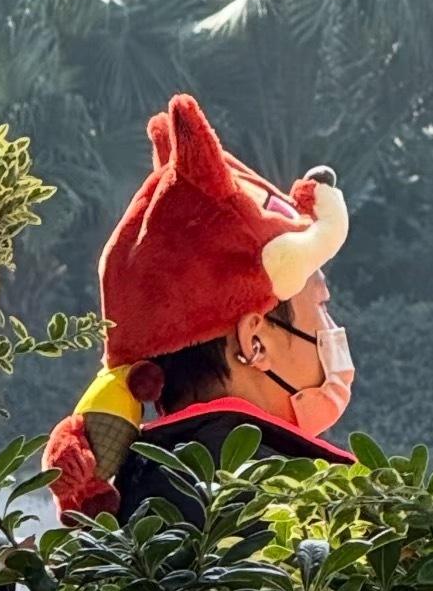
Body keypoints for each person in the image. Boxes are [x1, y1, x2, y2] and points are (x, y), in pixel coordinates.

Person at [43, 92, 357, 523]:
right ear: (254, 339)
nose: (331, 330)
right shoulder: (297, 498)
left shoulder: (136, 482)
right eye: (320, 306)